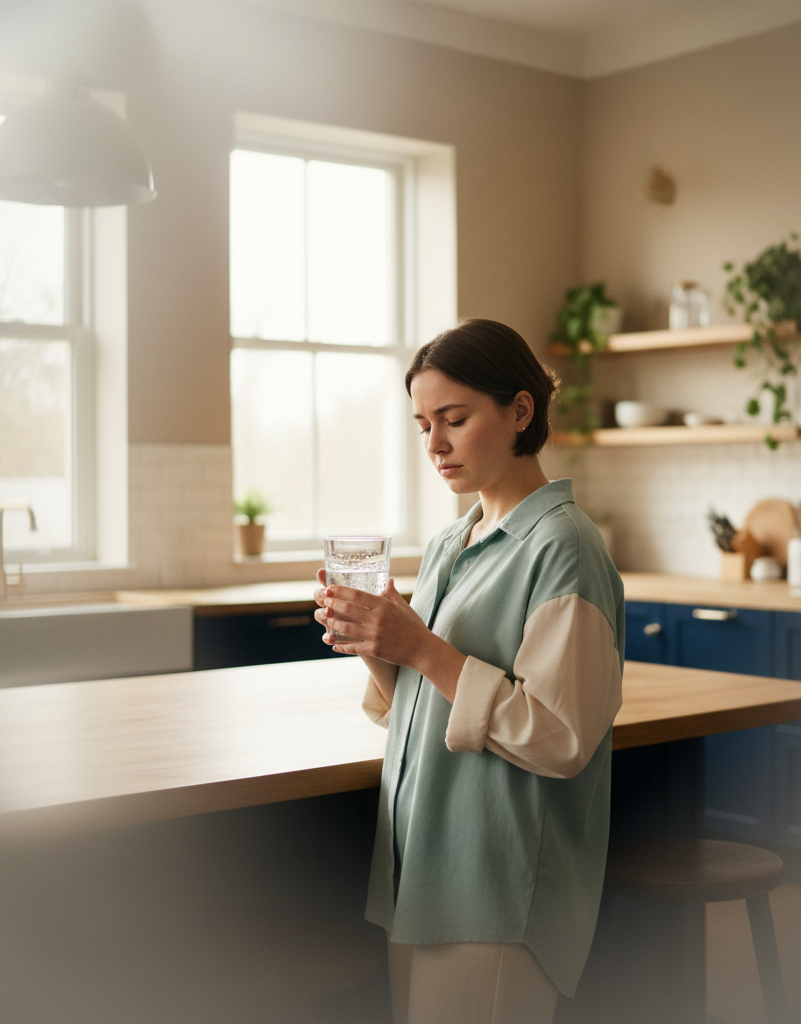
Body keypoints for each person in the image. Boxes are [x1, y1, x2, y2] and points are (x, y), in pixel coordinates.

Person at [313, 318, 625, 1024]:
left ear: (520, 411)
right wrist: (377, 638)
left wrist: (422, 646)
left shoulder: (563, 548)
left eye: (454, 419)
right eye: (423, 425)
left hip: (496, 883)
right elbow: (416, 708)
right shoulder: (453, 540)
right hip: (421, 865)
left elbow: (559, 737)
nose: (434, 445)